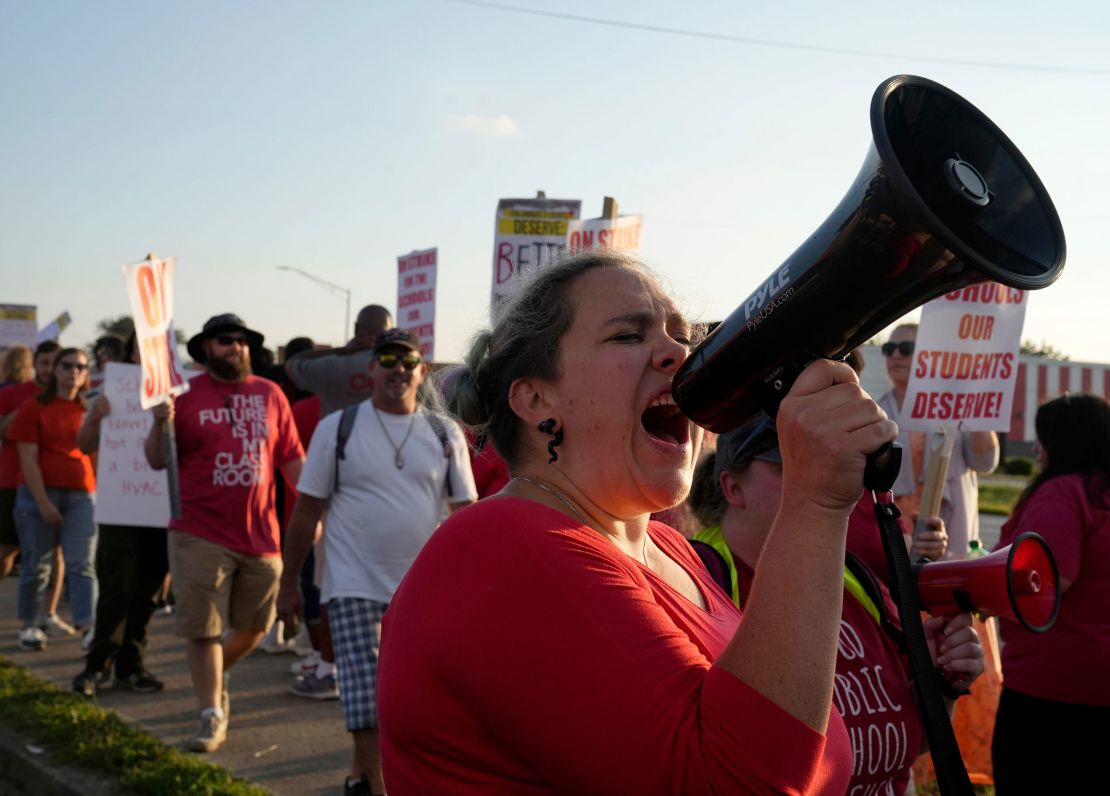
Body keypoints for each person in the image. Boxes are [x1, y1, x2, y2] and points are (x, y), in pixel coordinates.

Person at [377, 251, 899, 794]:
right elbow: (738, 781)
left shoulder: (673, 551)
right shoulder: (502, 545)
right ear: (535, 398)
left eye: (681, 336)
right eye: (627, 336)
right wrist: (813, 504)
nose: (678, 352)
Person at [690, 414, 983, 795]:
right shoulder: (699, 584)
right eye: (793, 466)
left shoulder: (851, 576)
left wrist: (939, 683)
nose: (822, 481)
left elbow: (908, 741)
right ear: (733, 488)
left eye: (828, 466)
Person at [279, 329, 477, 796]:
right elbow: (307, 508)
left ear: (421, 371)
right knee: (366, 693)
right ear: (370, 368)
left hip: (421, 591)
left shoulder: (443, 432)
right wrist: (288, 581)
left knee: (415, 698)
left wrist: (470, 588)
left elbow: (465, 515)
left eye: (408, 360)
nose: (398, 368)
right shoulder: (338, 428)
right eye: (387, 359)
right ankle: (371, 781)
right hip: (352, 584)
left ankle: (364, 775)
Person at [145, 314, 304, 753]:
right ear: (205, 349)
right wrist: (161, 421)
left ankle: (216, 676)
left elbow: (292, 459)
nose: (233, 347)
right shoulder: (182, 396)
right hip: (198, 529)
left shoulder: (271, 394)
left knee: (257, 625)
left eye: (240, 341)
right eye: (223, 341)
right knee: (202, 629)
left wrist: (317, 506)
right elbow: (157, 460)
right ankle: (209, 713)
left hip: (261, 534)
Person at [990, 393, 1110, 794]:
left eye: (1042, 438)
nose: (1037, 448)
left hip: (1054, 687)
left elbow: (1045, 578)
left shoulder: (1063, 492)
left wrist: (962, 581)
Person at [72, 333, 169, 696]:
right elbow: (83, 445)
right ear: (129, 353)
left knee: (147, 594)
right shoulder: (109, 390)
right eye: (140, 350)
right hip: (120, 505)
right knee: (115, 589)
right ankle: (96, 667)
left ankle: (131, 666)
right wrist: (95, 419)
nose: (147, 357)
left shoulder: (180, 392)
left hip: (161, 509)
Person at [877, 323, 999, 557]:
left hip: (950, 540)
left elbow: (985, 463)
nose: (894, 355)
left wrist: (972, 402)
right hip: (896, 541)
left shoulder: (955, 407)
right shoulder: (876, 412)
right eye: (888, 348)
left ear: (929, 354)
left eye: (905, 348)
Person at [10, 347, 98, 651]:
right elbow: (28, 459)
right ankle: (30, 625)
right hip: (39, 495)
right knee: (37, 564)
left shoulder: (91, 408)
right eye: (67, 365)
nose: (74, 371)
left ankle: (88, 625)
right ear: (55, 371)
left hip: (82, 493)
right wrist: (43, 502)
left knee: (82, 564)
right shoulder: (34, 408)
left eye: (81, 367)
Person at [284, 305, 394, 417]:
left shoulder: (332, 366)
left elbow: (292, 363)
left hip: (339, 433)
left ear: (356, 328)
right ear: (390, 332)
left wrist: (342, 350)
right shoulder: (403, 368)